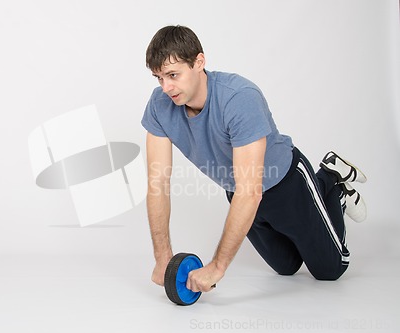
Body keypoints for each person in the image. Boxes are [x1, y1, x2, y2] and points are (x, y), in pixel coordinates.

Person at [141, 25, 367, 293]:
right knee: (287, 267)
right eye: (158, 78)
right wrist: (162, 256)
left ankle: (331, 180)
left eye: (172, 75)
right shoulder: (160, 105)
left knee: (330, 270)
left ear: (199, 62)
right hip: (238, 193)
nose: (166, 87)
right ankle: (326, 188)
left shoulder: (239, 98)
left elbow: (251, 191)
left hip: (287, 185)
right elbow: (157, 183)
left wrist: (216, 266)